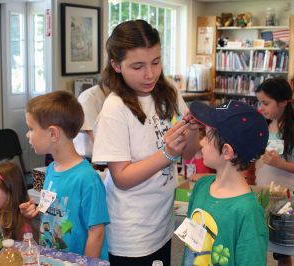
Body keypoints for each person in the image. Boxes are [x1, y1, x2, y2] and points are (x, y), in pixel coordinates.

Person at [92, 20, 200, 265]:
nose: (150, 74)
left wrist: (193, 130)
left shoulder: (168, 91)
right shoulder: (115, 108)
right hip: (131, 233)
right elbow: (121, 177)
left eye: (156, 62)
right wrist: (168, 153)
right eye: (138, 66)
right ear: (116, 65)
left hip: (161, 221)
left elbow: (191, 152)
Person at [19, 90, 109, 259]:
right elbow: (55, 213)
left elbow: (96, 233)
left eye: (31, 128)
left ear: (53, 133)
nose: (27, 134)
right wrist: (36, 211)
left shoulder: (87, 179)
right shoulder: (52, 169)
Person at [181, 100, 269, 266]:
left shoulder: (248, 212)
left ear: (227, 151)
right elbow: (191, 248)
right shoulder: (201, 186)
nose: (201, 143)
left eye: (206, 137)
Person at [255, 77, 294, 194]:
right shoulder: (263, 128)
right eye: (260, 103)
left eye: (266, 103)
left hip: (288, 193)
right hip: (264, 190)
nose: (261, 108)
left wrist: (280, 164)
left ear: (283, 102)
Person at [73, 83, 110, 161]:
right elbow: (91, 131)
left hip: (104, 152)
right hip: (87, 155)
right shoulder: (88, 97)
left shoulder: (112, 96)